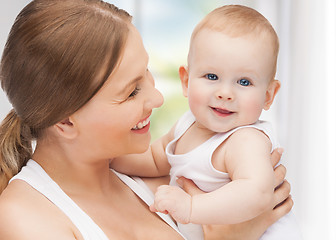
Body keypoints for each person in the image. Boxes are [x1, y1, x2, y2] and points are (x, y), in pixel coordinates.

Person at [0, 1, 293, 239]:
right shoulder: (25, 218)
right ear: (65, 121)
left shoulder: (167, 183)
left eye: (147, 73)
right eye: (132, 92)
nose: (157, 99)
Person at [111, 5, 302, 240]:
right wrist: (110, 157)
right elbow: (155, 159)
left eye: (243, 82)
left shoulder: (246, 139)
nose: (225, 93)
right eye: (212, 77)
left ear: (268, 96)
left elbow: (258, 192)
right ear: (186, 81)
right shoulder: (187, 125)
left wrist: (192, 207)